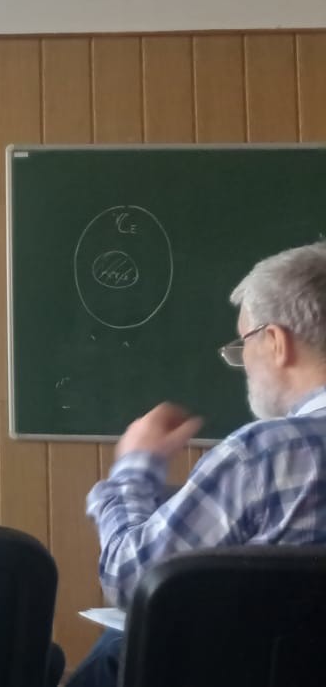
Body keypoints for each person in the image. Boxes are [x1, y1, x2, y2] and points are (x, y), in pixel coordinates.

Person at [66, 242, 326, 686]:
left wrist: (134, 470)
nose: (243, 362)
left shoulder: (264, 455)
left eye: (243, 343)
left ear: (276, 341)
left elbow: (131, 579)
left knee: (116, 650)